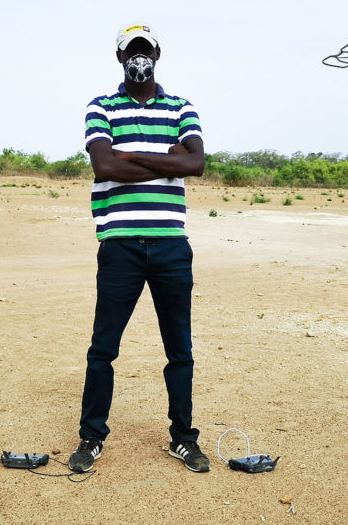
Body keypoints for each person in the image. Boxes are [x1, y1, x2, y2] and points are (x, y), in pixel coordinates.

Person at [68, 24, 209, 473]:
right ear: (120, 58)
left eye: (146, 50)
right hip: (120, 245)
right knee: (103, 349)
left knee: (179, 349)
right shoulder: (101, 106)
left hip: (171, 245)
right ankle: (91, 437)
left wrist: (128, 156)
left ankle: (183, 439)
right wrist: (167, 161)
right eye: (132, 51)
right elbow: (103, 165)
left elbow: (196, 163)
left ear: (158, 55)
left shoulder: (181, 106)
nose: (139, 58)